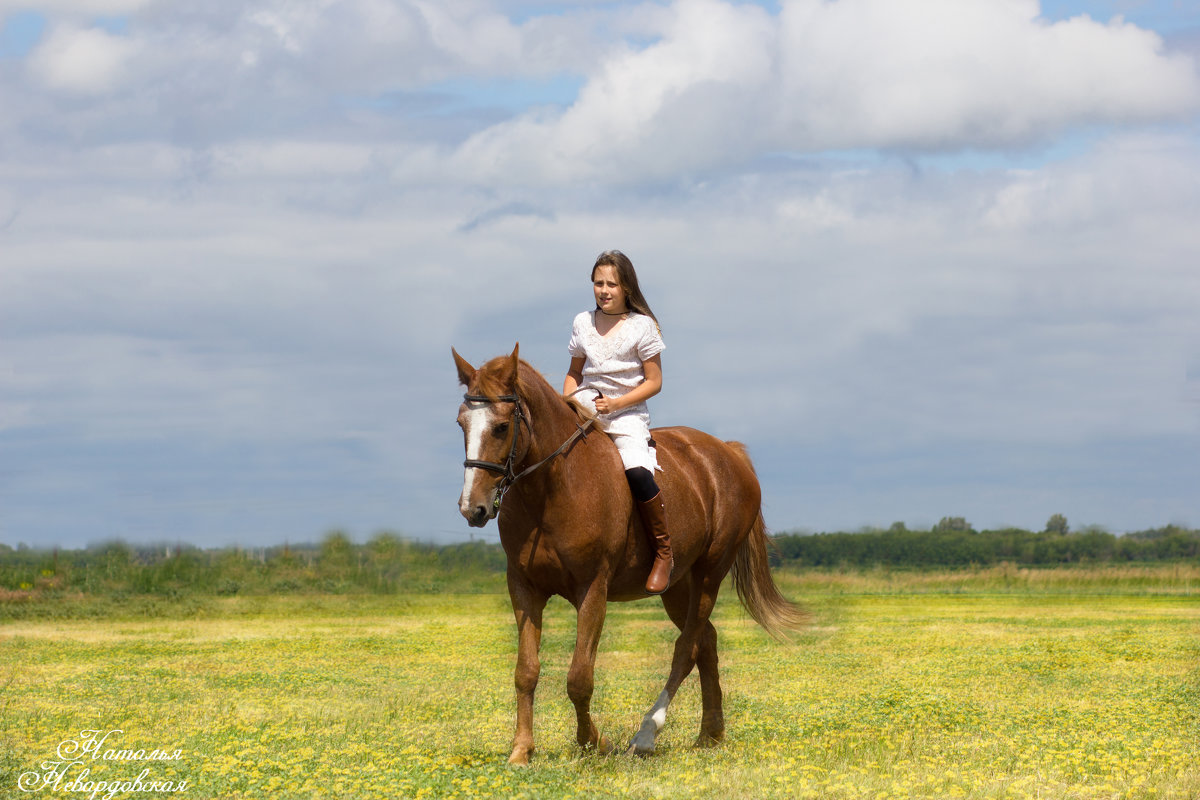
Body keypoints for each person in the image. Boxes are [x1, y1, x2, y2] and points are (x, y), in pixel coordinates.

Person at [563, 250, 672, 594]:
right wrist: (566, 401)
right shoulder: (582, 322)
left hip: (625, 415)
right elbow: (574, 373)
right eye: (598, 283)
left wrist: (617, 403)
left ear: (626, 287)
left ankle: (664, 552)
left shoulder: (643, 327)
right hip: (584, 410)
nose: (604, 290)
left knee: (638, 472)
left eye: (612, 283)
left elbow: (654, 382)